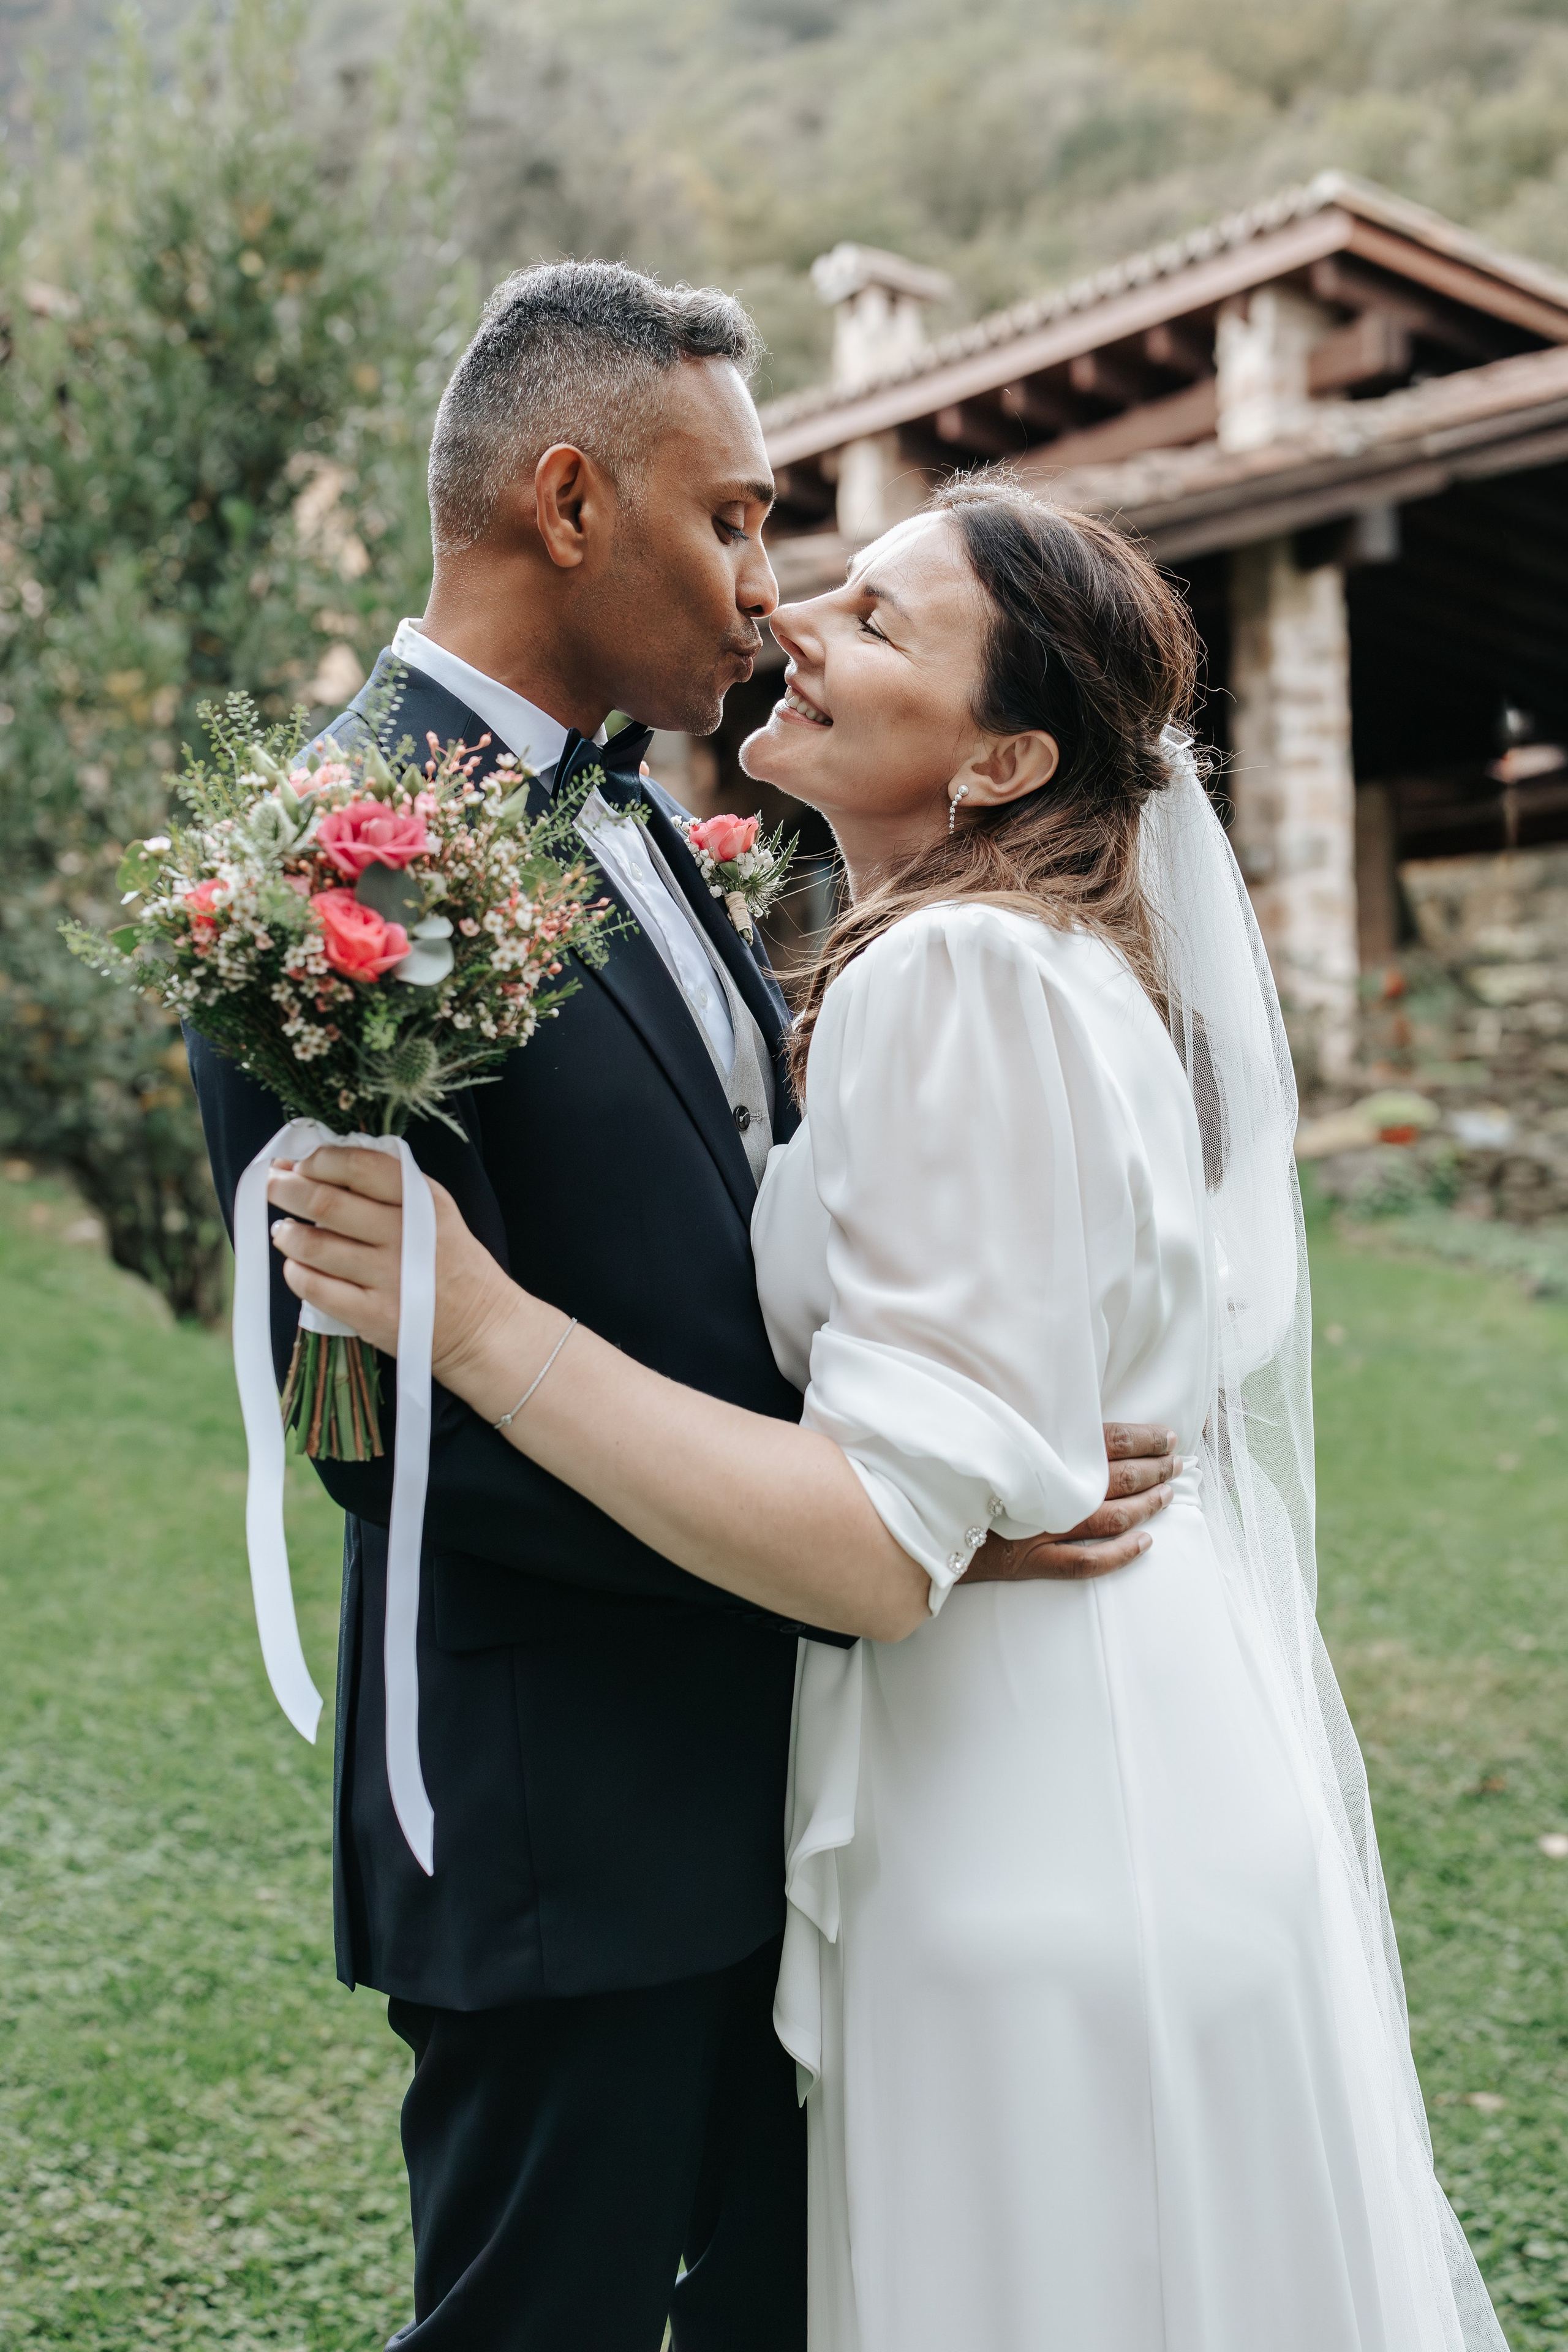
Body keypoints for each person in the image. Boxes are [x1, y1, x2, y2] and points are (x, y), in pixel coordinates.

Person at [271, 481, 1510, 2351]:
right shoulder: (1040, 962)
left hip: (1026, 1816)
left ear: (1008, 756)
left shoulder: (951, 975)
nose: (800, 625)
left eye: (875, 617)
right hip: (1118, 1751)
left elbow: (873, 1547)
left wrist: (481, 1321)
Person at [187, 265, 1174, 2351]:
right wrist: (889, 1543)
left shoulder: (641, 811)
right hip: (573, 1831)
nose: (767, 585)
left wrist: (920, 1487)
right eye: (731, 517)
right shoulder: (322, 874)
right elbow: (388, 1443)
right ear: (568, 502)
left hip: (804, 1804)